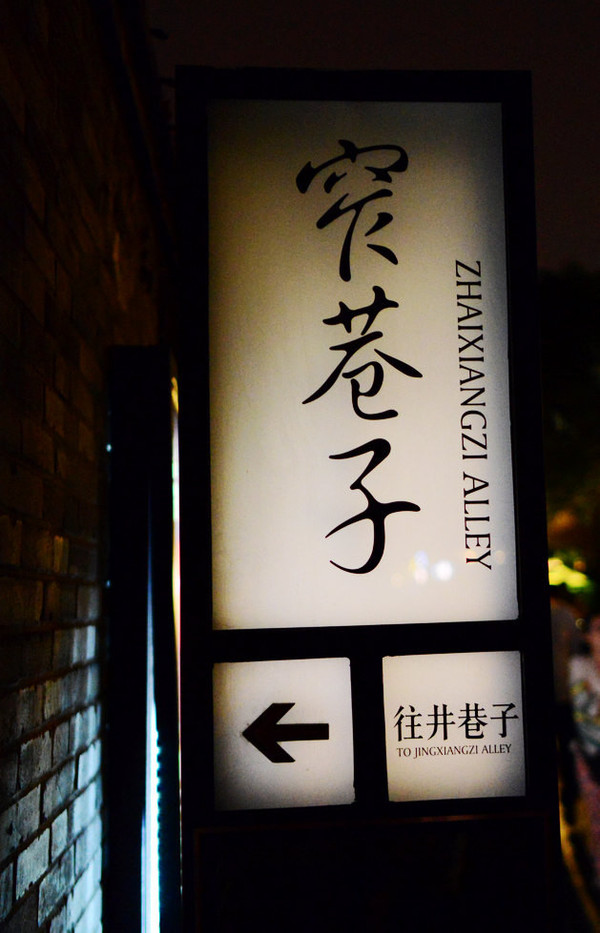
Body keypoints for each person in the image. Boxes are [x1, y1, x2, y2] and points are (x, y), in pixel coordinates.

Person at [569, 611, 600, 885]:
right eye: (598, 630)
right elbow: (584, 716)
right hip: (591, 757)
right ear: (588, 636)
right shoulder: (579, 667)